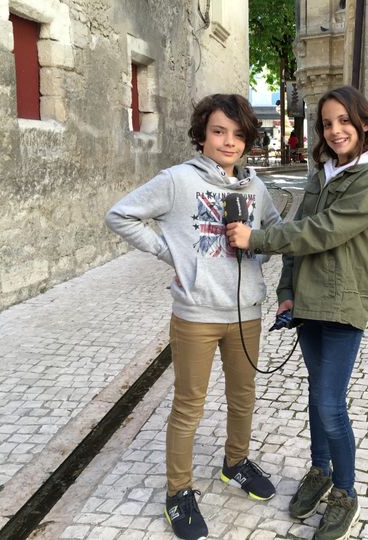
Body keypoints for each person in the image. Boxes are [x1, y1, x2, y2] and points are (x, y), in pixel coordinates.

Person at [105, 94, 281, 540]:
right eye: (219, 131)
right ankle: (178, 492)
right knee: (189, 405)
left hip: (246, 314)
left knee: (244, 397)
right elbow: (121, 214)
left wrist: (259, 244)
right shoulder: (178, 180)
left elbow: (278, 233)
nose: (229, 141)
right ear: (202, 133)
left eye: (239, 134)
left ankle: (235, 463)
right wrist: (175, 257)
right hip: (196, 315)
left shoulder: (255, 187)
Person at [226, 85, 368, 540]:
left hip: (341, 305)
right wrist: (285, 290)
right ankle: (319, 470)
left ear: (364, 124)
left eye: (344, 121)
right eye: (327, 123)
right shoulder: (321, 170)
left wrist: (255, 240)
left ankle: (346, 491)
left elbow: (320, 232)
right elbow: (299, 230)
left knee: (330, 404)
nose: (335, 130)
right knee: (316, 396)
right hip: (308, 303)